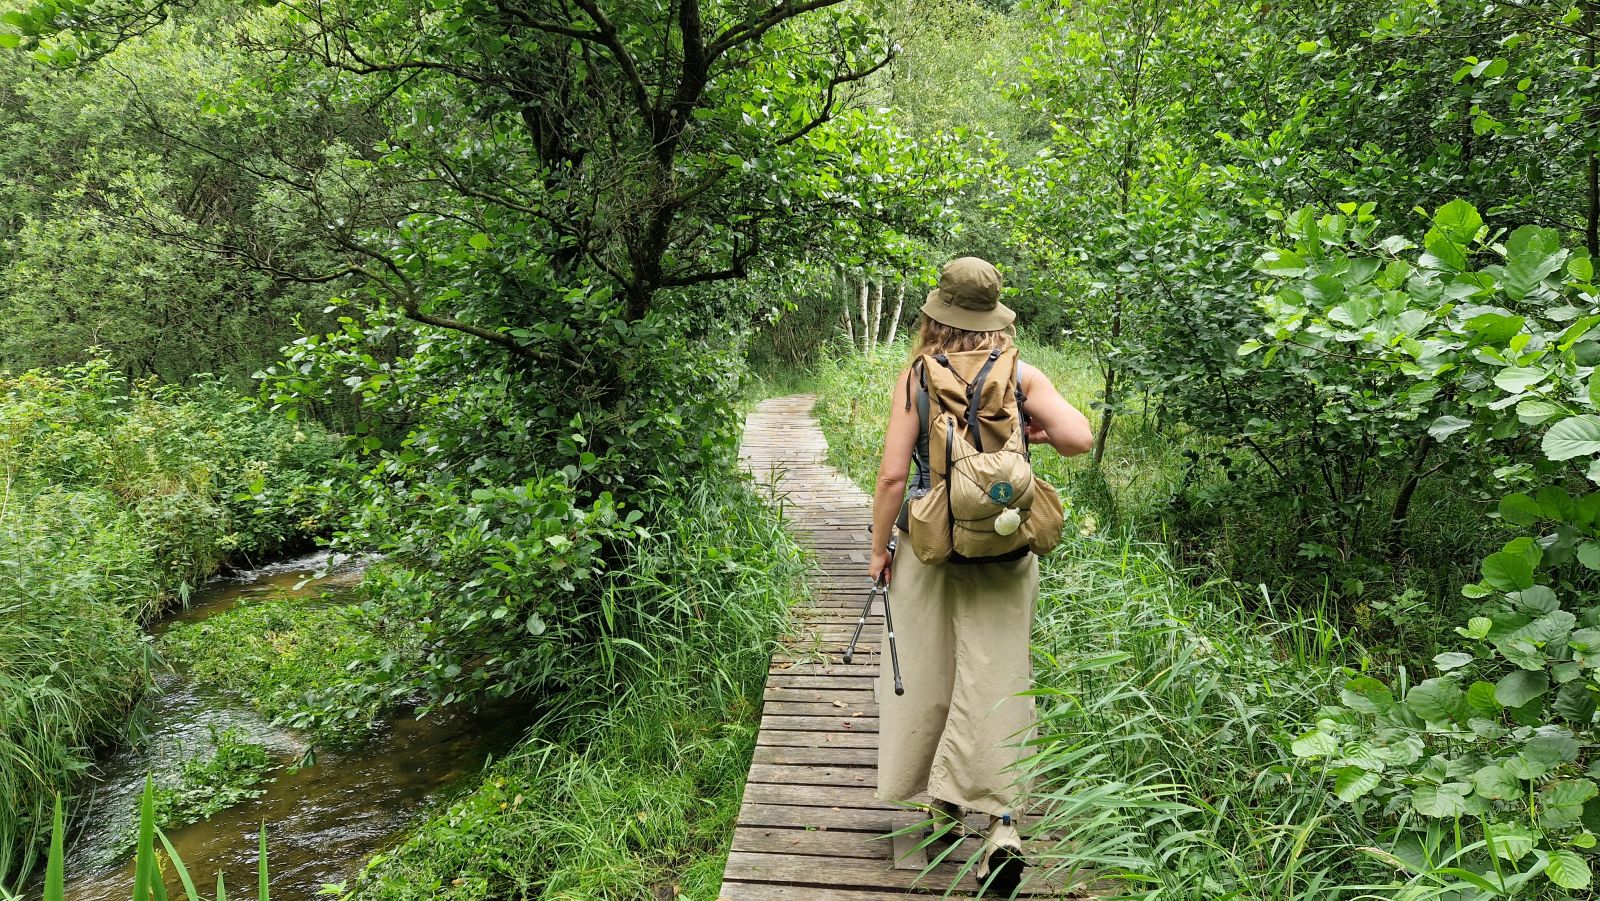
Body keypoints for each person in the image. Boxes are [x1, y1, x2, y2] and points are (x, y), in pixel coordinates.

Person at [867, 256, 1093, 895]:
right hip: (1005, 549)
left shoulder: (916, 376)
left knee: (932, 670)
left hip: (929, 546)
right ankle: (1001, 827)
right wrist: (1033, 436)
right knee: (999, 676)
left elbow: (890, 478)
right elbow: (1078, 437)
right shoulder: (1020, 374)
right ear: (995, 317)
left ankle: (938, 806)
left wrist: (879, 548)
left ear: (937, 313)